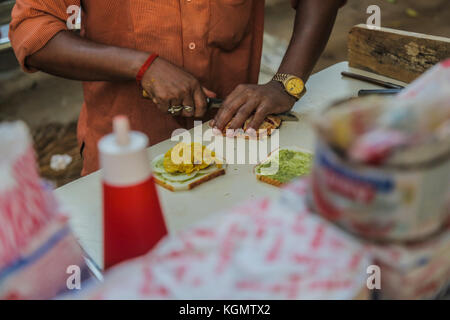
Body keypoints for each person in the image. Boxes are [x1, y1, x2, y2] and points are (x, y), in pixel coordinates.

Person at [9, 0, 345, 175]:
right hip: (127, 157)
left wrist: (286, 83)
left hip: (233, 150)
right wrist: (142, 66)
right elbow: (32, 32)